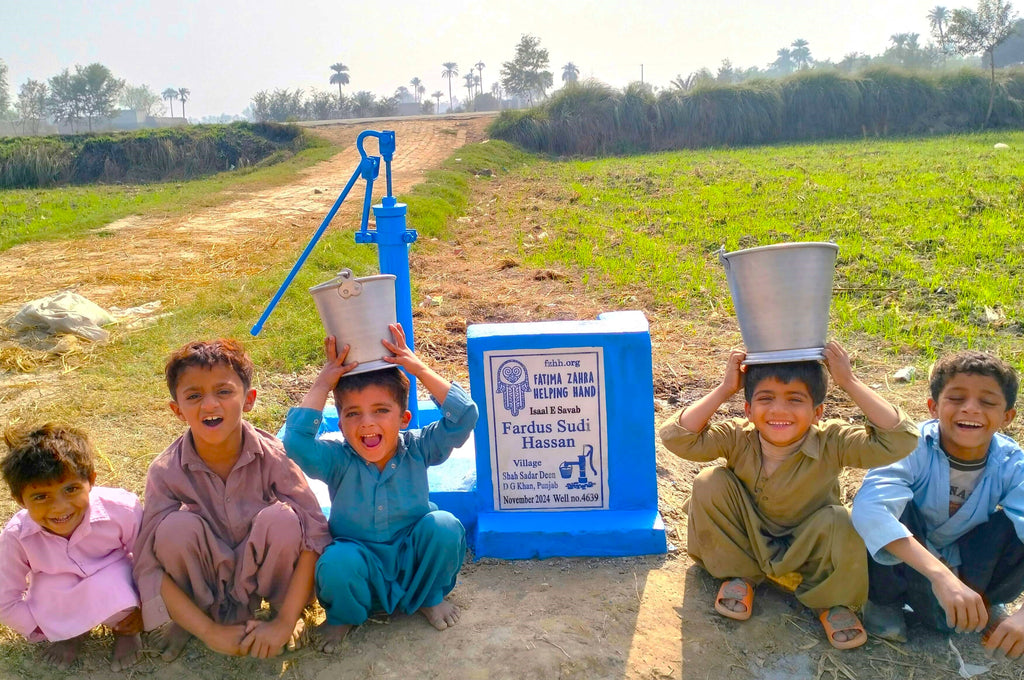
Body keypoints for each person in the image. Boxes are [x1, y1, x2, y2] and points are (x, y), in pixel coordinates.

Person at [659, 341, 918, 650]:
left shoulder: (833, 440)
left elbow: (901, 439)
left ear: (818, 412)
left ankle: (833, 602)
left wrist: (849, 382)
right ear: (749, 410)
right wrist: (725, 388)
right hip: (746, 539)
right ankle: (739, 576)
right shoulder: (737, 435)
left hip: (806, 546)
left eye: (795, 400)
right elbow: (676, 438)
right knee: (709, 481)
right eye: (765, 398)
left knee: (843, 519)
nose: (779, 410)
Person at [283, 322, 478, 653]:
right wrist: (324, 380)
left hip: (412, 559)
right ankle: (344, 616)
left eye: (381, 411)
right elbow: (296, 443)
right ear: (340, 423)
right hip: (360, 565)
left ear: (403, 419)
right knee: (336, 561)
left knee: (444, 527)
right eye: (353, 414)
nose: (367, 423)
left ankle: (428, 597)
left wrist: (417, 368)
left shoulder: (418, 447)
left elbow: (463, 417)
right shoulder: (337, 460)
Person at [133, 338, 331, 661]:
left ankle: (282, 614)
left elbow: (316, 534)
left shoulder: (275, 457)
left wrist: (285, 620)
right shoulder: (165, 472)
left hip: (262, 570)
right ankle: (195, 619)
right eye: (194, 396)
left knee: (284, 521)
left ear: (249, 400)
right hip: (207, 576)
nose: (209, 405)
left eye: (223, 392)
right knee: (171, 531)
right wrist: (208, 633)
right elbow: (147, 563)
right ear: (177, 410)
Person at [852, 350, 1024, 658]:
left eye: (987, 402)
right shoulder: (912, 444)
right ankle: (883, 601)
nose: (971, 409)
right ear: (933, 407)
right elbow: (870, 509)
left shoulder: (1012, 463)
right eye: (956, 398)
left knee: (1013, 527)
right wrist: (941, 576)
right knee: (889, 508)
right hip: (909, 565)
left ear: (1007, 417)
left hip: (968, 563)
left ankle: (985, 601)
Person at [0, 423, 143, 671]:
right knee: (50, 588)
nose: (60, 508)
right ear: (19, 499)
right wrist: (43, 628)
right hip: (59, 599)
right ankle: (71, 635)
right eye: (41, 497)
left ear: (91, 480)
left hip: (118, 590)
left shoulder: (121, 509)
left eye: (71, 489)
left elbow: (150, 560)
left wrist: (145, 610)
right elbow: (4, 597)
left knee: (121, 578)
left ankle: (127, 632)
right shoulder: (17, 536)